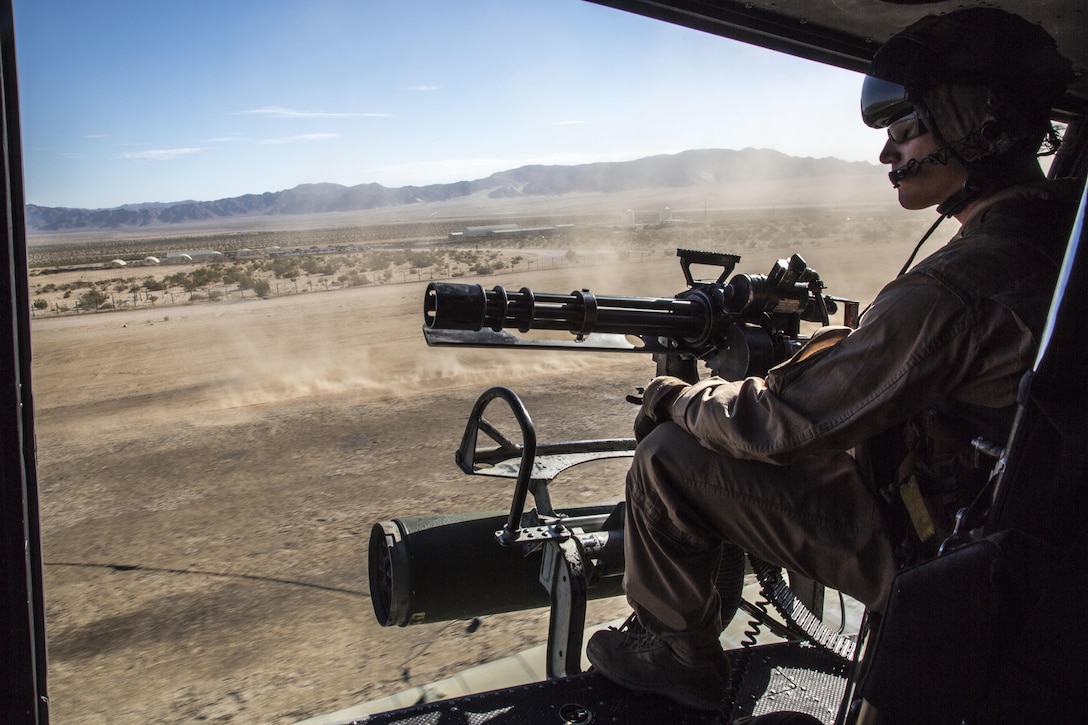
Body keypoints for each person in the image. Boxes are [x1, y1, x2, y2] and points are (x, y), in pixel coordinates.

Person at [585, 8, 1080, 713]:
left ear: (981, 125)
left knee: (669, 455)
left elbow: (776, 422)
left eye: (906, 130)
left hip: (952, 564)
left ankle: (674, 653)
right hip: (1036, 557)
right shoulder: (1063, 240)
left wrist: (675, 396)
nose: (888, 155)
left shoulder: (959, 285)